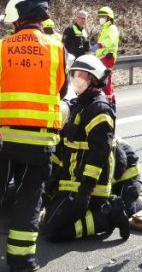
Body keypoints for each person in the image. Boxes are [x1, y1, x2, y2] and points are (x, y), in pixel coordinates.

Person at [0, 0, 66, 272]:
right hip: (40, 141)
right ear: (42, 19)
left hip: (1, 138)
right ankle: (21, 263)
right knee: (28, 200)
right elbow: (62, 90)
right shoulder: (58, 49)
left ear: (17, 20)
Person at [41, 55, 131, 243]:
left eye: (81, 75)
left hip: (89, 189)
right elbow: (65, 149)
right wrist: (52, 180)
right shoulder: (78, 106)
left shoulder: (99, 109)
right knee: (45, 223)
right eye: (75, 74)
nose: (76, 79)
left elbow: (99, 154)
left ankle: (108, 215)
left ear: (93, 79)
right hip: (71, 183)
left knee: (54, 231)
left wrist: (85, 191)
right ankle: (98, 214)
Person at [93, 6, 120, 104]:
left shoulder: (111, 28)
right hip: (103, 57)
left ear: (109, 18)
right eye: (100, 16)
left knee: (106, 79)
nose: (101, 18)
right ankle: (109, 99)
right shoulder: (106, 28)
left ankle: (109, 100)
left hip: (108, 57)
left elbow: (110, 40)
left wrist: (99, 45)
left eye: (103, 16)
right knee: (104, 78)